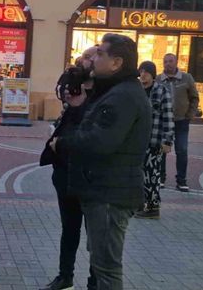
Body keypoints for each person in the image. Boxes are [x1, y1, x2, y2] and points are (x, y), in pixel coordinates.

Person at [51, 34, 151, 290]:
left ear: (116, 62)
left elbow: (100, 141)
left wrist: (62, 142)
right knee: (102, 262)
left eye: (99, 54)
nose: (93, 59)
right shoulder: (115, 92)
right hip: (104, 190)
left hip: (110, 193)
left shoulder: (123, 96)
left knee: (106, 269)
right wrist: (78, 104)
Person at [40, 46, 97, 290]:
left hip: (92, 176)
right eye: (83, 56)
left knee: (95, 236)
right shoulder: (76, 85)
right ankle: (65, 276)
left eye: (90, 56)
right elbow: (67, 109)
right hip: (65, 173)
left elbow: (92, 132)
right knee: (69, 228)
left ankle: (95, 281)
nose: (83, 60)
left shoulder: (107, 93)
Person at [136, 61, 174, 219]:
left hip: (154, 141)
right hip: (137, 141)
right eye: (141, 72)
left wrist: (168, 141)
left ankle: (153, 208)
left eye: (147, 72)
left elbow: (168, 116)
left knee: (152, 175)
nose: (143, 75)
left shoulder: (161, 91)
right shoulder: (137, 90)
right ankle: (140, 204)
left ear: (153, 74)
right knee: (138, 174)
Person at [157, 53, 199, 192]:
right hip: (164, 122)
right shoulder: (158, 79)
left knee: (182, 150)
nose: (167, 64)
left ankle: (181, 181)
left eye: (170, 61)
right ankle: (160, 178)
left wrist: (190, 115)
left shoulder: (186, 78)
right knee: (162, 150)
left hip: (181, 122)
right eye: (165, 61)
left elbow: (194, 97)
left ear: (176, 62)